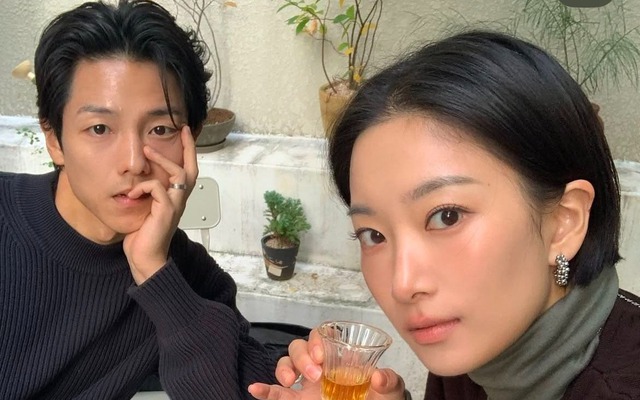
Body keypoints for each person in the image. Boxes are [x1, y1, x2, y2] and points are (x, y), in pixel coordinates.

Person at [248, 30, 640, 400]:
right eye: (373, 235)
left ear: (564, 222)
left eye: (446, 216)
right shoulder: (480, 347)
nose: (403, 284)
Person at [0, 1, 278, 398]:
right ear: (54, 139)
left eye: (161, 129)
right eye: (100, 128)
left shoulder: (184, 275)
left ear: (191, 141)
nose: (133, 162)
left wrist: (153, 271)